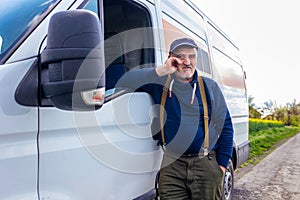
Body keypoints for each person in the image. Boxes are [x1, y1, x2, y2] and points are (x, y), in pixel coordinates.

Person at [118, 38, 234, 200]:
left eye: (192, 56)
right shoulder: (159, 83)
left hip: (205, 164)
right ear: (171, 58)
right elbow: (124, 81)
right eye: (181, 56)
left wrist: (221, 166)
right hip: (172, 164)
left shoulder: (209, 86)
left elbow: (226, 126)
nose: (187, 62)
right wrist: (161, 70)